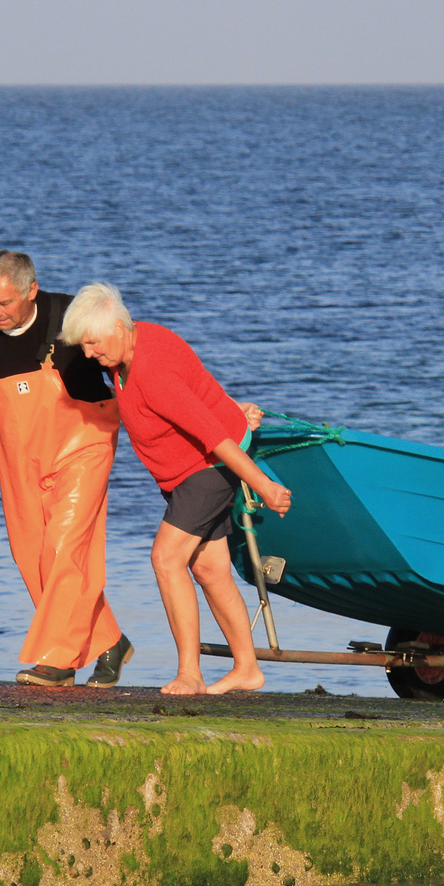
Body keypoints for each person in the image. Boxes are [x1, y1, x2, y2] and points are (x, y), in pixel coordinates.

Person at [61, 282, 292, 695]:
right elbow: (198, 385)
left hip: (209, 467)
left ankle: (190, 673)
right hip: (190, 471)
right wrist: (231, 405)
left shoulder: (151, 372)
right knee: (209, 568)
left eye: (93, 343)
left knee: (166, 559)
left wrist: (264, 485)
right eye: (83, 346)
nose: (88, 353)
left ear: (117, 326)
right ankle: (247, 669)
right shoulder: (135, 342)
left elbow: (214, 436)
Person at [0, 251, 133, 688]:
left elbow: (130, 362)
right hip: (19, 456)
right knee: (32, 556)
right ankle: (110, 642)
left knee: (62, 548)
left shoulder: (70, 317)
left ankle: (58, 660)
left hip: (84, 443)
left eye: (5, 303)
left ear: (32, 291)